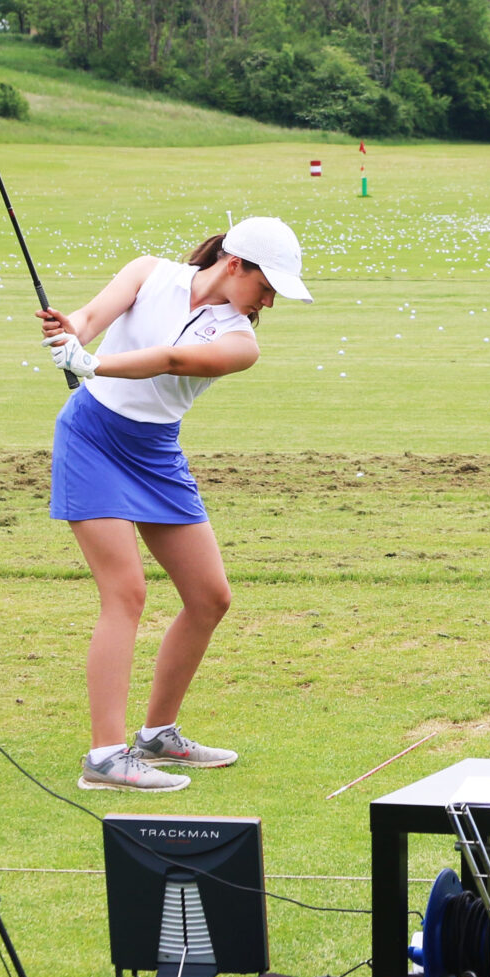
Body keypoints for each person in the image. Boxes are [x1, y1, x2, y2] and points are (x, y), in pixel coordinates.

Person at [37, 217, 311, 792]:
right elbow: (89, 319)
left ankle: (157, 735)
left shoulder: (240, 342)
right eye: (268, 286)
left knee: (210, 597)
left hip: (155, 450)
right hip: (92, 436)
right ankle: (106, 758)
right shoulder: (147, 272)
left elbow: (172, 359)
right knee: (126, 591)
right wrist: (72, 334)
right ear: (235, 263)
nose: (269, 300)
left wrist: (92, 363)